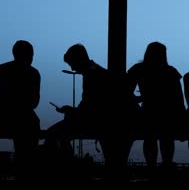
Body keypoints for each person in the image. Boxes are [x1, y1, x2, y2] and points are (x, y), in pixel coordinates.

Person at [45, 44, 134, 180]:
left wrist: (70, 111)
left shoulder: (91, 75)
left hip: (97, 122)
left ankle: (66, 171)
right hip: (104, 120)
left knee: (52, 134)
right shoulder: (96, 71)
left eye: (72, 64)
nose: (72, 68)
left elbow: (89, 109)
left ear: (78, 59)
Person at [127, 42, 185, 167]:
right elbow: (179, 98)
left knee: (150, 139)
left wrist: (138, 101)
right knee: (166, 139)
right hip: (167, 113)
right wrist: (181, 116)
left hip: (148, 111)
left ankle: (151, 166)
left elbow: (125, 91)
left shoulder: (139, 69)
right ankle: (167, 164)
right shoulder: (171, 71)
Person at [0, 40, 41, 179]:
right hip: (26, 120)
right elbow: (34, 102)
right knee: (28, 140)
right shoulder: (34, 73)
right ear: (30, 55)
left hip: (4, 118)